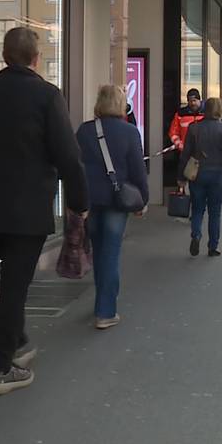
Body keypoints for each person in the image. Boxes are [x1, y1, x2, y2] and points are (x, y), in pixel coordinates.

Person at [0, 27, 88, 396]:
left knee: (13, 279)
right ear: (35, 58)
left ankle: (20, 341)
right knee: (15, 286)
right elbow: (68, 155)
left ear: (4, 56)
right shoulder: (46, 95)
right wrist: (79, 202)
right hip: (30, 208)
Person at [76, 86, 149, 330]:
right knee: (111, 253)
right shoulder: (129, 132)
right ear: (120, 104)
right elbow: (138, 170)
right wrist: (143, 200)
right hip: (117, 202)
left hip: (90, 201)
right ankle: (106, 311)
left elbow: (76, 168)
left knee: (99, 251)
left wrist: (74, 202)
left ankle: (101, 302)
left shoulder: (85, 131)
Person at [177, 98, 222, 258]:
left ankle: (196, 234)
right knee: (215, 212)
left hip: (197, 174)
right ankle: (213, 246)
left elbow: (185, 154)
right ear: (220, 110)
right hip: (217, 175)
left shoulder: (194, 128)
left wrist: (181, 177)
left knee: (197, 209)